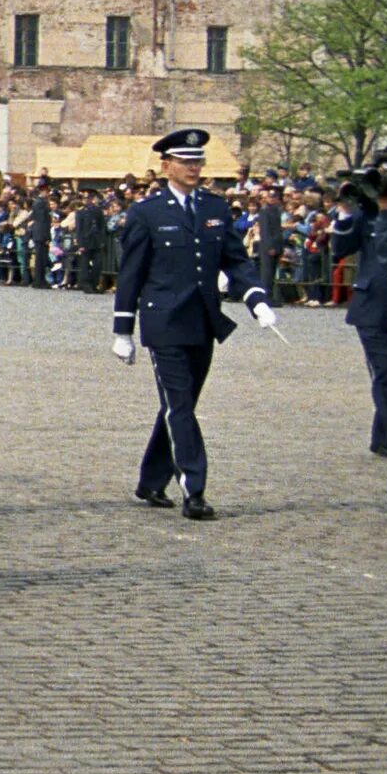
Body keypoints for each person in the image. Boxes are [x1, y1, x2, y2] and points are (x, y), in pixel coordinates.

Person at [110, 130, 275, 519]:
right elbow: (131, 273)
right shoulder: (147, 212)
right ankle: (194, 488)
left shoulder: (215, 208)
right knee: (180, 405)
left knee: (179, 404)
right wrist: (122, 329)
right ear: (166, 165)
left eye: (198, 161)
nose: (193, 168)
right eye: (185, 162)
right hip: (164, 320)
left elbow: (234, 259)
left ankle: (151, 479)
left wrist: (256, 298)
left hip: (202, 320)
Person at [330, 157, 387, 456]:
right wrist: (344, 212)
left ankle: (383, 437)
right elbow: (340, 249)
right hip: (372, 306)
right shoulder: (367, 213)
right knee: (386, 373)